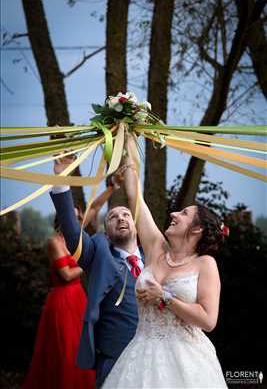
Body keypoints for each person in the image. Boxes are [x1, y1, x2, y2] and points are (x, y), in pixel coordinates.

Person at [101, 152, 228, 388]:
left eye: (184, 213)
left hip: (187, 360)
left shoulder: (205, 264)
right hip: (140, 354)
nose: (173, 214)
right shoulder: (155, 248)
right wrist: (128, 130)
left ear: (197, 229)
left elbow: (208, 320)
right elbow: (134, 196)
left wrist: (165, 297)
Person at [50, 154, 145, 389]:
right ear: (106, 230)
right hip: (115, 358)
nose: (121, 218)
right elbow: (72, 232)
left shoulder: (155, 256)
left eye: (126, 215)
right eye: (113, 216)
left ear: (136, 224)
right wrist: (62, 177)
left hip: (156, 356)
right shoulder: (99, 251)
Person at [22, 206, 95, 389]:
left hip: (78, 297)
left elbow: (94, 208)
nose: (76, 220)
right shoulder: (54, 242)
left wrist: (111, 189)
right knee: (65, 348)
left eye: (78, 218)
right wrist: (89, 262)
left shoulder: (76, 239)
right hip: (62, 300)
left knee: (80, 345)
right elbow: (67, 274)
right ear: (61, 219)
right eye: (72, 217)